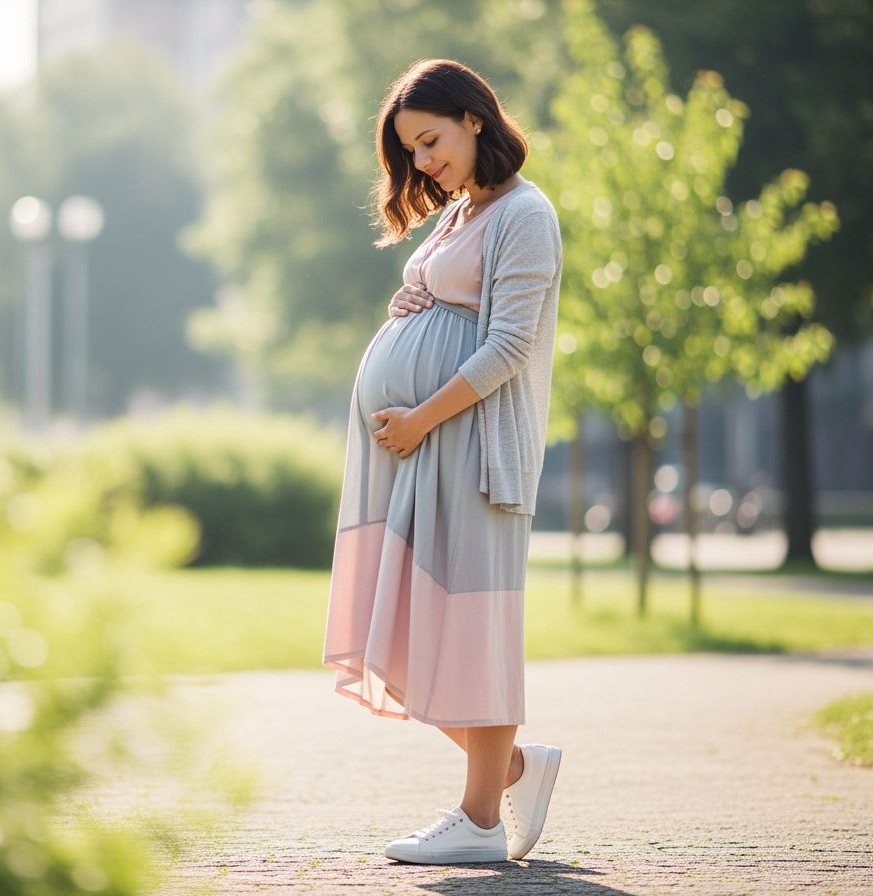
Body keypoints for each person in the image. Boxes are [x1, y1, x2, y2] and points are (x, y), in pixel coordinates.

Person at [322, 58, 564, 865]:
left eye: (431, 142)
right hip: (425, 452)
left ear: (475, 118)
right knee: (411, 629)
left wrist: (421, 418)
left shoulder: (525, 214)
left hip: (469, 450)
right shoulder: (463, 212)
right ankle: (513, 773)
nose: (423, 163)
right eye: (411, 152)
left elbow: (507, 347)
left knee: (470, 632)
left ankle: (481, 821)